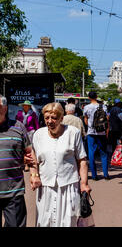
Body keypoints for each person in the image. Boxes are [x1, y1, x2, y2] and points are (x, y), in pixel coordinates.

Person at [29, 102, 91, 227]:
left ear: (62, 118)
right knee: (45, 221)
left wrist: (84, 184)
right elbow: (33, 160)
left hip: (68, 186)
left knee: (67, 222)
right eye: (47, 118)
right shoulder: (38, 135)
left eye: (54, 118)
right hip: (46, 187)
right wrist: (34, 175)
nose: (50, 121)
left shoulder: (73, 133)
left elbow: (82, 160)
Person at [0, 94, 33, 227]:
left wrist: (32, 170)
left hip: (13, 191)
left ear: (5, 109)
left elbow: (30, 154)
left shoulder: (18, 127)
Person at [83, 91, 110, 181]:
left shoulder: (86, 107)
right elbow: (107, 120)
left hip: (91, 132)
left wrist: (90, 126)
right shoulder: (103, 106)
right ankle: (106, 174)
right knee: (104, 153)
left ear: (89, 98)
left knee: (91, 153)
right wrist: (106, 132)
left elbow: (86, 121)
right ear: (97, 96)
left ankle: (94, 176)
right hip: (101, 133)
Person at [108, 99, 122, 164]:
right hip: (119, 128)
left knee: (113, 142)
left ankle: (114, 154)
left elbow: (108, 117)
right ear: (118, 103)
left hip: (112, 128)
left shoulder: (111, 109)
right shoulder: (119, 110)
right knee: (119, 142)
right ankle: (119, 155)